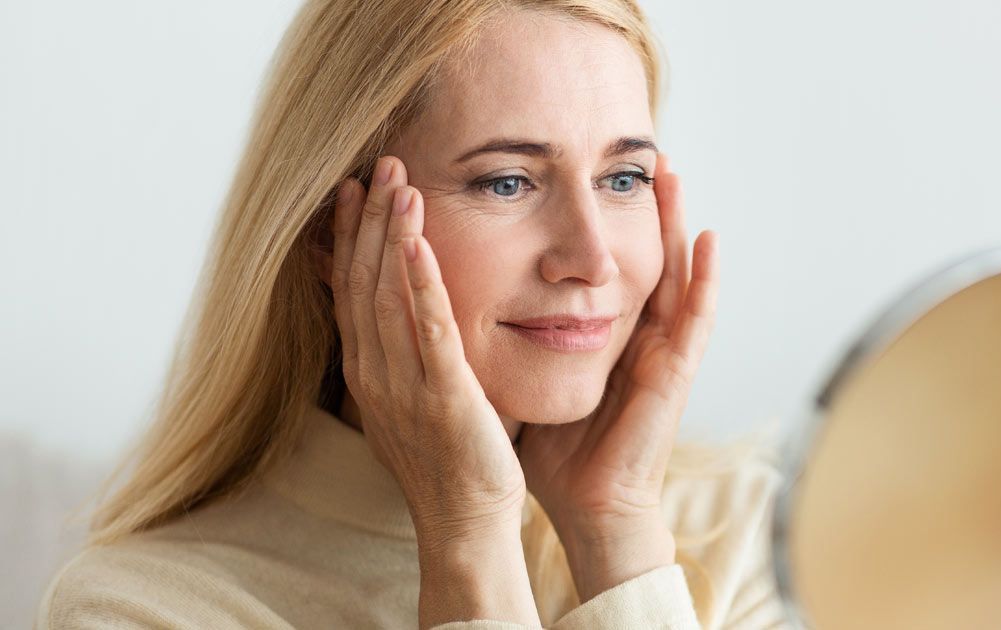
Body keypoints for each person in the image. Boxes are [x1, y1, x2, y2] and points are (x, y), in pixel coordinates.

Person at [35, 0, 789, 628]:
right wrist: (467, 544)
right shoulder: (141, 609)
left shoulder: (749, 532)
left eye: (623, 177)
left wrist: (616, 534)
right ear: (334, 231)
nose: (593, 259)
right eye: (506, 183)